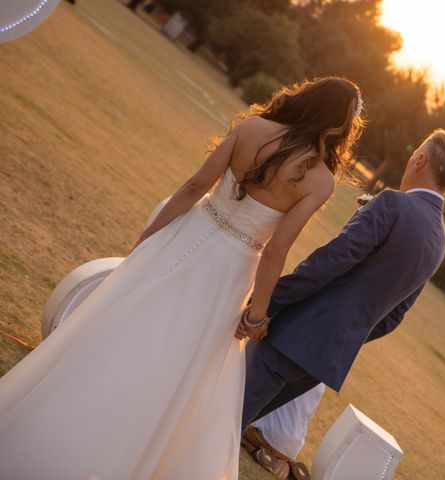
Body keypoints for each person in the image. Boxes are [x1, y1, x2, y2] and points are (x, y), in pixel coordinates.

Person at [0, 76, 363, 480]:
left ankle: (67, 415)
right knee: (182, 363)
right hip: (229, 271)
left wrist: (149, 239)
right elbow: (277, 249)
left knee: (125, 327)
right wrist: (258, 315)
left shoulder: (252, 127)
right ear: (341, 128)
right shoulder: (319, 180)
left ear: (306, 98)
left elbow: (194, 186)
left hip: (185, 235)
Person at [240, 129, 445, 428]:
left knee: (227, 418)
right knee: (236, 425)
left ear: (420, 159)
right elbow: (394, 316)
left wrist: (268, 302)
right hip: (326, 358)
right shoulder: (441, 240)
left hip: (295, 332)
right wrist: (346, 333)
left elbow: (331, 261)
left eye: (414, 153)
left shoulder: (393, 203)